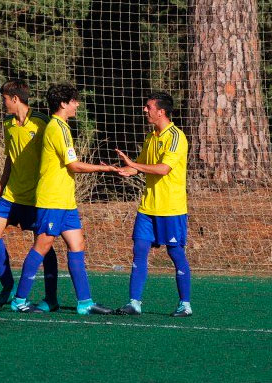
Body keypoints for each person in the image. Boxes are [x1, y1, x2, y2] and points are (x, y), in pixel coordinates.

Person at [11, 83, 116, 314]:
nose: (77, 104)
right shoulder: (57, 128)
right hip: (52, 200)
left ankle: (85, 303)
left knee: (77, 245)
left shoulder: (63, 127)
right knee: (42, 246)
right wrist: (105, 169)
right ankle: (19, 300)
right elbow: (73, 165)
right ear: (63, 104)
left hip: (66, 201)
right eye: (74, 101)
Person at [114, 92, 192, 317]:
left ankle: (185, 304)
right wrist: (121, 169)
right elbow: (140, 167)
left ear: (161, 111)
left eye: (148, 107)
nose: (144, 110)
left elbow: (163, 169)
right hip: (148, 207)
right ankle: (134, 303)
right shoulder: (151, 137)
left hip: (171, 208)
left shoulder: (176, 137)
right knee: (139, 250)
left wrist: (135, 165)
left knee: (176, 253)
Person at [0, 79, 59, 312]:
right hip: (11, 194)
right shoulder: (8, 123)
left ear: (15, 99)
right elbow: (10, 157)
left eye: (5, 99)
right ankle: (7, 288)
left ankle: (51, 298)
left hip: (37, 196)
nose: (3, 103)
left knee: (44, 246)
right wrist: (0, 186)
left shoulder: (42, 123)